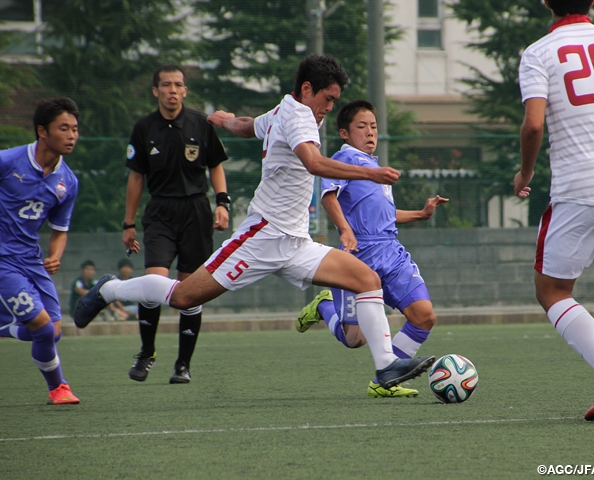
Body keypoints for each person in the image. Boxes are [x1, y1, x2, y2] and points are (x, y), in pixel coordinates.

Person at [74, 54, 435, 390]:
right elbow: (313, 163)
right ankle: (110, 289)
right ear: (307, 90)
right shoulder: (299, 117)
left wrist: (225, 121)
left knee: (366, 279)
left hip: (295, 243)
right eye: (328, 98)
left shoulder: (284, 109)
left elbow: (250, 126)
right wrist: (369, 175)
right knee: (182, 296)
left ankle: (386, 364)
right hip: (261, 238)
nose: (329, 108)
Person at [514, 0, 594, 421]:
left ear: (547, 2)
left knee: (551, 291)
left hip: (579, 186)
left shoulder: (538, 52)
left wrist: (524, 172)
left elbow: (533, 125)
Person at [296, 100, 448, 398]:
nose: (370, 133)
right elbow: (328, 196)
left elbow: (384, 215)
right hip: (358, 256)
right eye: (361, 127)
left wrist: (420, 214)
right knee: (354, 340)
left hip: (391, 253)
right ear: (344, 133)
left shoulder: (375, 167)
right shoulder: (343, 159)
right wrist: (345, 229)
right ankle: (325, 305)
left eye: (374, 127)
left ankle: (385, 378)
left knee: (424, 316)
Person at [121, 64, 230, 384]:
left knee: (189, 292)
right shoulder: (143, 128)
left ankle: (183, 364)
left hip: (196, 212)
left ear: (184, 90)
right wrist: (128, 224)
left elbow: (216, 167)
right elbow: (136, 177)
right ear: (156, 91)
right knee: (153, 283)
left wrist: (222, 204)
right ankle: (146, 352)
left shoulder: (201, 123)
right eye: (166, 85)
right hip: (160, 212)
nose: (172, 90)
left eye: (178, 85)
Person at [0, 97, 81, 405]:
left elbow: (60, 230)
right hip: (3, 259)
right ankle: (58, 388)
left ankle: (5, 326)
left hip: (32, 260)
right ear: (42, 131)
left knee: (54, 332)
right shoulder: (8, 162)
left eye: (75, 129)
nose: (72, 135)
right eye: (64, 128)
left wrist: (56, 255)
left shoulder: (67, 181)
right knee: (42, 326)